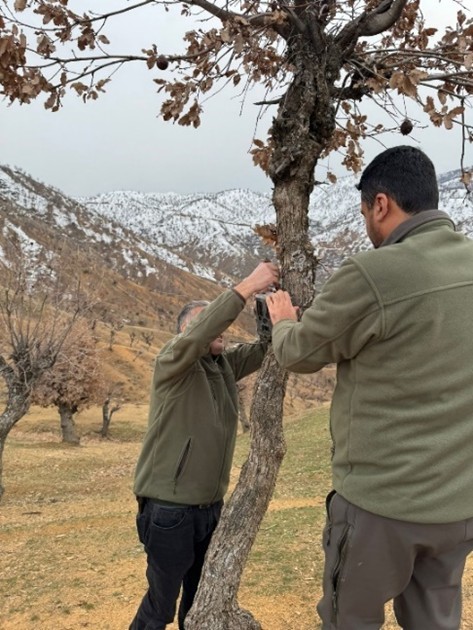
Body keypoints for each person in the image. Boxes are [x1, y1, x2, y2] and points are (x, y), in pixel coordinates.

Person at [265, 145, 473, 630]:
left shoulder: (374, 273)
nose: (366, 225)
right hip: (459, 503)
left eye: (364, 213)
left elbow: (299, 353)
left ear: (381, 204)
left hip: (382, 504)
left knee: (349, 621)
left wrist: (281, 321)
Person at [130, 261, 279, 630]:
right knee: (161, 607)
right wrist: (247, 286)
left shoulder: (222, 365)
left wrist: (269, 310)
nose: (222, 331)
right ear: (187, 331)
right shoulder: (173, 362)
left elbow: (264, 348)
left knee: (198, 607)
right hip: (169, 512)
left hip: (209, 510)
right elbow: (199, 334)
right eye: (210, 324)